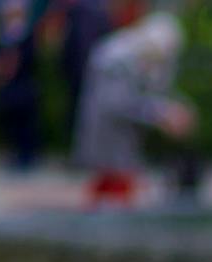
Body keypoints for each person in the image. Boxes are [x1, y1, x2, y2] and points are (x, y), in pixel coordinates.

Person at [72, 11, 193, 205]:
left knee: (117, 185)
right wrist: (160, 113)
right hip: (107, 133)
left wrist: (177, 109)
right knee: (112, 186)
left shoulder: (147, 54)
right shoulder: (117, 57)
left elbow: (159, 88)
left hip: (124, 140)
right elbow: (116, 103)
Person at [54, 0, 113, 152]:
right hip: (90, 72)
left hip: (82, 72)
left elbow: (78, 45)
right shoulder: (97, 11)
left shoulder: (82, 12)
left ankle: (80, 151)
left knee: (80, 115)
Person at [0, 0, 41, 172]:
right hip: (7, 87)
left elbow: (31, 61)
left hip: (23, 86)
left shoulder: (27, 35)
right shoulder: (2, 35)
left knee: (25, 123)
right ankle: (15, 153)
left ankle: (27, 155)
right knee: (10, 122)